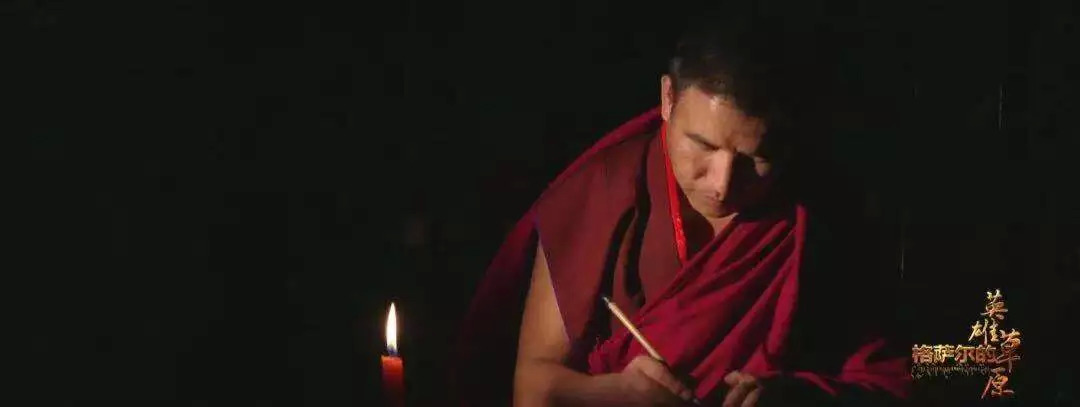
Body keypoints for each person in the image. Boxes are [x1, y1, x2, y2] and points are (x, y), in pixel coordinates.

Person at [455, 11, 911, 407]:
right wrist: (617, 394)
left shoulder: (817, 217)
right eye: (702, 145)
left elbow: (905, 375)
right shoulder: (603, 193)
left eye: (756, 159)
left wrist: (800, 396)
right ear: (668, 99)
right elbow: (532, 388)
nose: (722, 184)